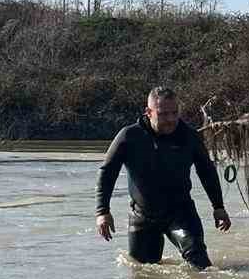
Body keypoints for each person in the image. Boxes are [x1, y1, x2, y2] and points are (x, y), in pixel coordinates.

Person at [96, 86, 231, 268]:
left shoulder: (189, 136)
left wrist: (218, 207)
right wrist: (102, 211)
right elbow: (107, 172)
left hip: (181, 213)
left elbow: (206, 171)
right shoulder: (129, 137)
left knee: (200, 263)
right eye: (163, 114)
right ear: (148, 112)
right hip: (143, 217)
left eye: (174, 113)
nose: (171, 120)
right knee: (143, 273)